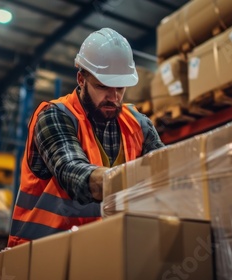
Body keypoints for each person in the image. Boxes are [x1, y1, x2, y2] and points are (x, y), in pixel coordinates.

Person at [8, 28, 165, 247]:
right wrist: (131, 179)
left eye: (120, 87)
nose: (114, 97)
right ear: (81, 79)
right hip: (40, 258)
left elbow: (167, 172)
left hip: (101, 253)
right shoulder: (54, 116)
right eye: (102, 86)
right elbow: (72, 171)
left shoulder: (139, 125)